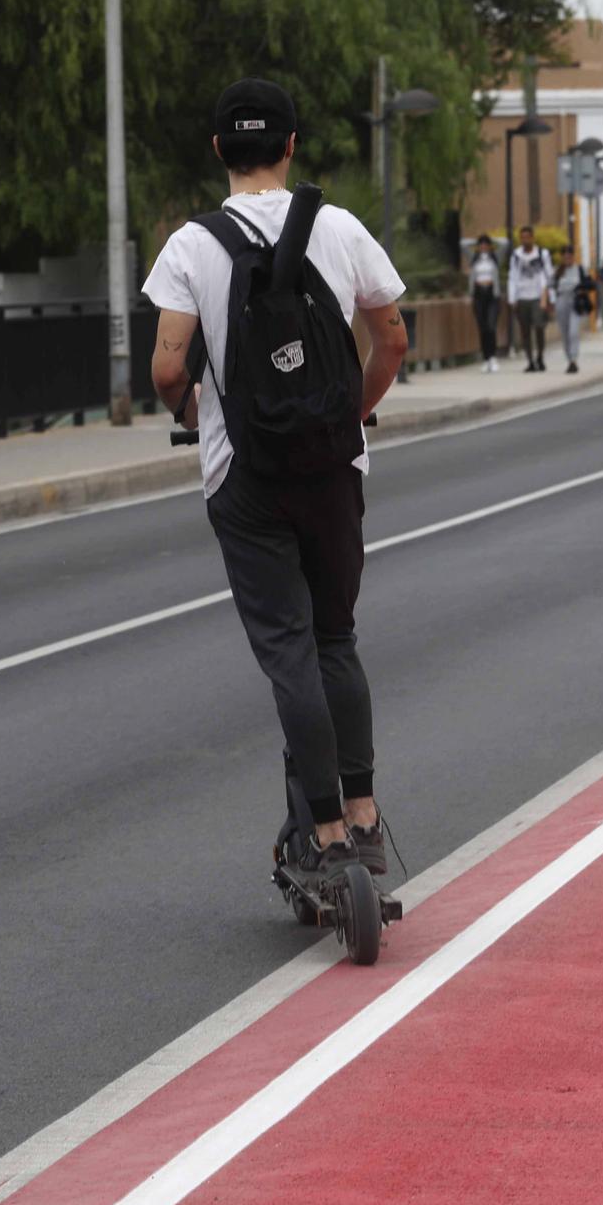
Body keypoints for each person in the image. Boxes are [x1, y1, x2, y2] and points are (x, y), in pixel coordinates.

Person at [143, 77, 406, 885]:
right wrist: (351, 416)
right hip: (331, 467)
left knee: (289, 651)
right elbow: (392, 337)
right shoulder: (339, 227)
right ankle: (361, 816)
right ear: (292, 146)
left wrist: (195, 408)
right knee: (336, 638)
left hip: (244, 475)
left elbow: (165, 365)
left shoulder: (191, 246)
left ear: (220, 149)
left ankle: (321, 831)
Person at [508, 224, 553, 372]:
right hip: (522, 297)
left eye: (527, 237)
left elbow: (548, 276)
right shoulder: (516, 255)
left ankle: (540, 355)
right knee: (525, 330)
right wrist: (512, 298)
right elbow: (512, 277)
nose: (525, 240)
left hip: (538, 296)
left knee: (539, 326)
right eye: (522, 238)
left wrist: (549, 298)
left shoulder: (542, 254)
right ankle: (530, 360)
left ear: (533, 238)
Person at [553, 245, 594, 374]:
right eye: (564, 256)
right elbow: (550, 286)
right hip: (561, 302)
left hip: (575, 303)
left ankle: (574, 358)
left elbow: (591, 284)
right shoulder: (557, 271)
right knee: (565, 333)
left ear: (573, 256)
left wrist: (581, 288)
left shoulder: (580, 269)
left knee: (573, 332)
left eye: (569, 256)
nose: (567, 258)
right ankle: (569, 359)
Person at [468, 234, 501, 373]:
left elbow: (505, 244)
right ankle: (486, 358)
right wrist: (474, 241)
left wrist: (493, 241)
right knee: (482, 327)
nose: (483, 247)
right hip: (479, 295)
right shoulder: (474, 259)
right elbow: (463, 244)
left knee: (491, 326)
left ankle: (493, 356)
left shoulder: (495, 258)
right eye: (481, 244)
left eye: (485, 244)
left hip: (492, 295)